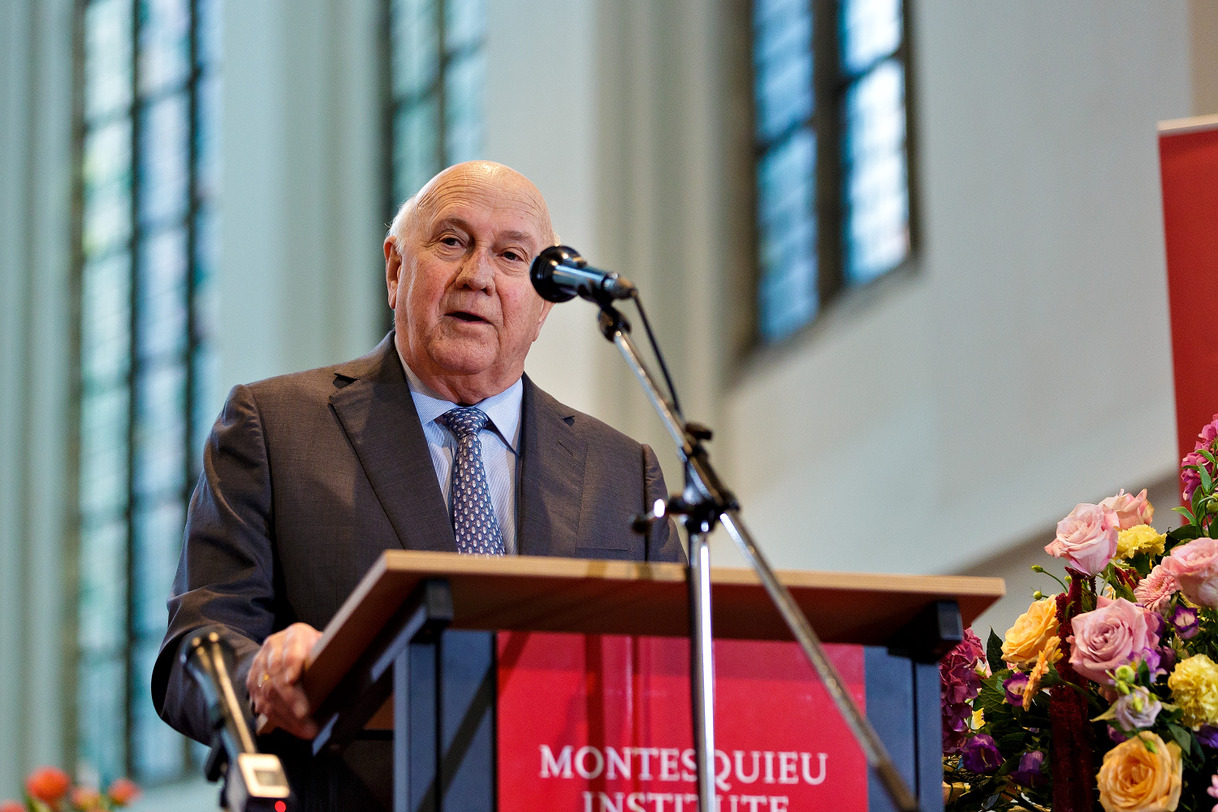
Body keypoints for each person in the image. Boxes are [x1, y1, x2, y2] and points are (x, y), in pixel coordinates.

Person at [151, 161, 684, 808]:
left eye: (512, 256)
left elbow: (676, 684)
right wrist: (258, 673)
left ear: (544, 302)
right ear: (395, 269)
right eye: (452, 242)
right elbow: (194, 645)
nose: (478, 276)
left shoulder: (623, 473)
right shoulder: (274, 428)